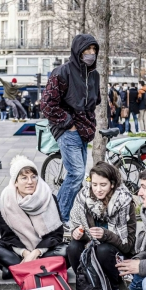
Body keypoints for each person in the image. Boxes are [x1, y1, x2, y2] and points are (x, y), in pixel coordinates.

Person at [40, 34, 101, 223]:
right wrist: (69, 123)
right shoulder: (62, 72)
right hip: (68, 130)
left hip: (84, 131)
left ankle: (73, 218)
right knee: (76, 174)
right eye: (87, 50)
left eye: (94, 50)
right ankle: (58, 218)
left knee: (78, 176)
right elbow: (47, 104)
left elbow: (93, 101)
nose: (91, 54)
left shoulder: (94, 75)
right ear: (78, 51)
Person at [66, 162, 136, 290]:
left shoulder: (124, 202)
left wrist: (106, 235)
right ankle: (87, 284)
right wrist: (77, 233)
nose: (98, 189)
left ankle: (114, 288)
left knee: (103, 249)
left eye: (103, 185)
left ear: (112, 184)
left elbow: (128, 244)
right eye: (95, 184)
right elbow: (74, 224)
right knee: (73, 247)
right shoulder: (83, 198)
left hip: (114, 253)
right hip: (91, 248)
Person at [0, 155, 67, 280]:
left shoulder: (49, 198)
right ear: (15, 181)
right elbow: (7, 236)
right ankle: (39, 268)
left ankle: (15, 270)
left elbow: (56, 235)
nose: (30, 182)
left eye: (33, 177)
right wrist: (26, 253)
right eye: (24, 178)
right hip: (19, 253)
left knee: (67, 250)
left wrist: (37, 252)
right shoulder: (5, 201)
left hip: (45, 252)